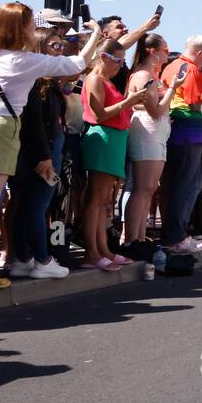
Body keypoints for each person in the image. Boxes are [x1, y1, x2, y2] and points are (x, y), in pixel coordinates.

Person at [0, 4, 107, 288]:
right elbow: (77, 64)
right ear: (23, 28)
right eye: (30, 24)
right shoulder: (25, 60)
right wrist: (96, 34)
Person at [6, 25, 72, 279]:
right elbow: (35, 124)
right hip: (41, 150)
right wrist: (45, 157)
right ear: (38, 48)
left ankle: (23, 257)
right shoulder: (36, 83)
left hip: (40, 148)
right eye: (54, 46)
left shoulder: (45, 82)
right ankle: (43, 259)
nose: (59, 51)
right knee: (36, 206)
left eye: (61, 46)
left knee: (27, 205)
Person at [80, 40, 146, 270]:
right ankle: (92, 252)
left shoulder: (106, 80)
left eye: (122, 61)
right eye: (117, 60)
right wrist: (128, 101)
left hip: (114, 138)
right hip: (103, 138)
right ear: (104, 57)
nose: (120, 65)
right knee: (96, 200)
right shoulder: (95, 79)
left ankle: (103, 249)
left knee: (104, 201)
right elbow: (98, 114)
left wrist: (131, 102)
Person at [122, 33, 183, 249]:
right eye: (165, 50)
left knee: (149, 188)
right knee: (143, 187)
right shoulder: (142, 75)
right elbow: (156, 111)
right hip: (147, 132)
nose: (167, 55)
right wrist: (174, 88)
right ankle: (131, 239)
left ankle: (138, 237)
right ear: (152, 51)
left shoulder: (149, 75)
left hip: (155, 133)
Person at [160, 36, 202, 254]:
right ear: (200, 54)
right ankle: (175, 237)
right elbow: (198, 103)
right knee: (181, 187)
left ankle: (176, 234)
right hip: (187, 136)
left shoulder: (172, 66)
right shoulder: (190, 69)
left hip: (183, 134)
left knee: (176, 186)